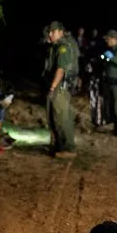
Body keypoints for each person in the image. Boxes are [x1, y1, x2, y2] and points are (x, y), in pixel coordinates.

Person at [46, 21, 78, 158]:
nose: (50, 34)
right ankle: (60, 145)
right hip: (58, 86)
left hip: (60, 87)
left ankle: (69, 148)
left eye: (53, 32)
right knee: (54, 117)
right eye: (49, 32)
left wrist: (52, 87)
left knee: (62, 117)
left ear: (60, 32)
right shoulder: (56, 46)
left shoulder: (63, 47)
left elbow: (60, 70)